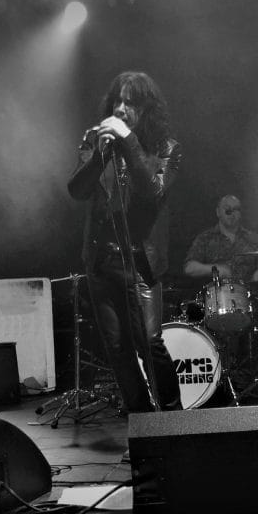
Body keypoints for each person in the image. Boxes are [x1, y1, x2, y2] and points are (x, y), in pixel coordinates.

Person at [67, 70, 183, 415]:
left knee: (149, 342)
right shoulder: (95, 139)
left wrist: (129, 141)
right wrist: (101, 153)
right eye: (117, 101)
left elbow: (152, 192)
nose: (120, 108)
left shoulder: (166, 149)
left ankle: (173, 419)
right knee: (117, 349)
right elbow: (77, 189)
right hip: (102, 264)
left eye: (129, 103)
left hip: (140, 264)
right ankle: (141, 420)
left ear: (146, 109)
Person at [183, 195, 258, 283]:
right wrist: (217, 269)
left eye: (236, 209)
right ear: (218, 212)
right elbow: (189, 268)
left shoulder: (252, 238)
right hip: (218, 296)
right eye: (227, 209)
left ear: (240, 214)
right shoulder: (205, 238)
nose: (231, 213)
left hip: (250, 295)